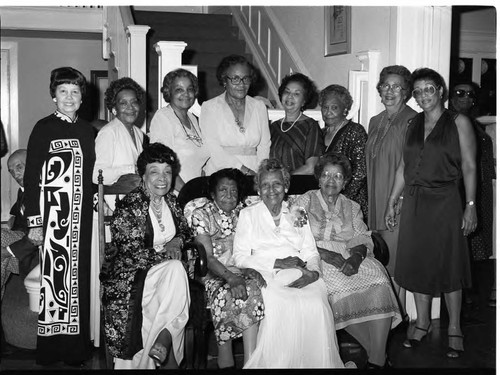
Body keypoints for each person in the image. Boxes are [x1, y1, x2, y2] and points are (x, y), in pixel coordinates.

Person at [385, 68, 477, 358]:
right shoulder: (412, 123)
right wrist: (392, 199)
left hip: (446, 200)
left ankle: (454, 328)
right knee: (416, 264)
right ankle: (422, 322)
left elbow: (470, 166)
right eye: (418, 91)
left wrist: (470, 206)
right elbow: (403, 165)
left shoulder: (458, 121)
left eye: (429, 89)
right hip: (414, 202)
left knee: (450, 264)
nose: (423, 95)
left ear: (440, 91)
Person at [232, 158, 345, 368]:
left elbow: (310, 251)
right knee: (280, 306)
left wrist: (313, 273)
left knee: (316, 305)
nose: (271, 190)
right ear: (258, 189)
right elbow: (239, 257)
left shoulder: (296, 213)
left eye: (276, 184)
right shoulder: (248, 215)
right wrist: (276, 262)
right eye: (265, 185)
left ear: (285, 186)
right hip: (267, 273)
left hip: (302, 272)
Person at [293, 153, 401, 368]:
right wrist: (328, 255)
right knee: (339, 287)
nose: (331, 181)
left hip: (349, 253)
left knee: (379, 280)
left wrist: (356, 258)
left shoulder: (352, 206)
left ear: (345, 181)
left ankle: (376, 360)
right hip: (315, 255)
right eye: (326, 175)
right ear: (318, 178)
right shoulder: (303, 201)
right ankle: (377, 357)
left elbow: (360, 237)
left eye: (338, 176)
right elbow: (296, 237)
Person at [24, 67, 95, 365]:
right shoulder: (43, 128)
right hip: (54, 220)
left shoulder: (88, 132)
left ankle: (76, 349)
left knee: (79, 283)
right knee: (56, 282)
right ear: (54, 96)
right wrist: (35, 222)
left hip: (83, 221)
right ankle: (53, 350)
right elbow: (31, 177)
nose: (69, 97)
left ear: (82, 98)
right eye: (63, 91)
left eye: (75, 92)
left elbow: (93, 176)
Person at [101, 143, 191, 369]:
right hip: (133, 275)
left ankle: (163, 341)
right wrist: (168, 255)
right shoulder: (129, 206)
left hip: (165, 276)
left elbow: (185, 231)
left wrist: (176, 241)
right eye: (155, 172)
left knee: (174, 273)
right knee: (175, 270)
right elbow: (131, 254)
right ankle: (167, 339)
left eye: (167, 172)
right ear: (143, 175)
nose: (162, 178)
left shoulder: (171, 201)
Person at [187, 168, 264, 368]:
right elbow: (209, 257)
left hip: (243, 268)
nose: (229, 195)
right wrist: (231, 278)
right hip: (211, 272)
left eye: (233, 190)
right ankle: (226, 358)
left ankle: (250, 361)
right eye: (223, 190)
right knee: (227, 293)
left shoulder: (244, 212)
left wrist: (248, 270)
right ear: (212, 193)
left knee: (255, 290)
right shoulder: (201, 214)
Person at [365, 65, 417, 311]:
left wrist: (397, 201)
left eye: (397, 86)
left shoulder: (413, 121)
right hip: (376, 200)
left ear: (406, 91)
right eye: (385, 85)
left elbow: (411, 166)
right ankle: (389, 314)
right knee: (381, 261)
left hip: (398, 201)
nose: (390, 90)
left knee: (396, 263)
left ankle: (399, 315)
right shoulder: (374, 121)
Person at [450, 81, 495, 305]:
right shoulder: (450, 123)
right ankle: (463, 300)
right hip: (461, 190)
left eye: (470, 94)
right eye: (460, 92)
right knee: (464, 241)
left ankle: (475, 298)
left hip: (482, 189)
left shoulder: (476, 125)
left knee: (479, 241)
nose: (466, 97)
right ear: (450, 96)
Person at [200, 54, 271, 176]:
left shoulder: (259, 106)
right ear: (224, 80)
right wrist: (244, 170)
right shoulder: (210, 107)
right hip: (221, 172)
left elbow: (264, 145)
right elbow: (213, 148)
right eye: (235, 79)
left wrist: (260, 173)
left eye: (246, 78)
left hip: (254, 173)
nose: (241, 84)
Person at [149, 68, 209, 191]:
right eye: (179, 90)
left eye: (190, 89)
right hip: (175, 193)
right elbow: (163, 164)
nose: (186, 94)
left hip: (194, 192)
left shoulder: (192, 118)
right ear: (169, 92)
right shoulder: (163, 118)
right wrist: (187, 194)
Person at [321, 84, 368, 219]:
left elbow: (361, 173)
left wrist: (340, 200)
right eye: (325, 107)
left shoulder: (355, 131)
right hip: (325, 201)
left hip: (351, 204)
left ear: (345, 109)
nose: (328, 112)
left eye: (334, 107)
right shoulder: (321, 134)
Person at [93, 77, 147, 191]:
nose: (130, 107)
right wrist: (130, 169)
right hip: (113, 203)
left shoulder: (139, 133)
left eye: (134, 102)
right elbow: (96, 175)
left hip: (135, 200)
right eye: (123, 103)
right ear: (114, 109)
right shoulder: (108, 133)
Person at [1, 149, 39, 297]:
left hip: (38, 251)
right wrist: (13, 217)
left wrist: (8, 250)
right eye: (11, 171)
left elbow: (41, 234)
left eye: (19, 167)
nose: (15, 174)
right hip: (24, 239)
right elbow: (19, 209)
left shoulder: (45, 192)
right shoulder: (23, 190)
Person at [269, 73, 323, 174]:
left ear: (304, 101)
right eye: (287, 92)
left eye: (296, 94)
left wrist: (284, 180)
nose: (290, 96)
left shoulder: (311, 126)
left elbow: (311, 168)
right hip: (273, 186)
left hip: (299, 185)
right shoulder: (273, 126)